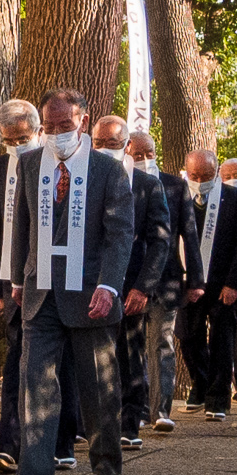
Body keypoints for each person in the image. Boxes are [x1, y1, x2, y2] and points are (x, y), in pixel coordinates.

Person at [5, 89, 136, 475]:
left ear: (83, 120)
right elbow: (21, 227)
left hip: (90, 292)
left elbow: (120, 234)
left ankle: (105, 463)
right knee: (36, 381)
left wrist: (110, 285)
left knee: (98, 385)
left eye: (65, 126)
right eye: (50, 127)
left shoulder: (108, 170)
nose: (57, 133)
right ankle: (34, 471)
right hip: (40, 289)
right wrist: (15, 280)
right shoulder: (30, 165)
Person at [0, 98, 78, 475]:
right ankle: (9, 444)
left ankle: (61, 440)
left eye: (22, 137)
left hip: (51, 275)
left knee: (57, 360)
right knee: (15, 357)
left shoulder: (55, 166)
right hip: (13, 278)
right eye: (9, 140)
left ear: (38, 131)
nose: (16, 145)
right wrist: (0, 281)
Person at [91, 115, 169, 451]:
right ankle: (86, 422)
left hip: (131, 286)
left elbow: (160, 241)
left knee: (129, 354)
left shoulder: (147, 186)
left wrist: (143, 286)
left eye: (113, 144)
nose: (106, 150)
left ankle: (129, 422)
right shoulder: (80, 181)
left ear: (128, 147)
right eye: (100, 144)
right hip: (87, 285)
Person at [128, 130, 198, 433]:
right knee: (132, 346)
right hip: (131, 279)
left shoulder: (175, 185)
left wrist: (195, 278)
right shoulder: (121, 181)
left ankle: (161, 410)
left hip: (168, 278)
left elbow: (189, 235)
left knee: (163, 342)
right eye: (137, 154)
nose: (144, 159)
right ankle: (138, 408)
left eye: (149, 153)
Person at [177, 149, 237, 420]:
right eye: (194, 175)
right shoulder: (178, 193)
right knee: (187, 336)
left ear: (216, 172)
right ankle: (201, 383)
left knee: (222, 340)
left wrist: (233, 284)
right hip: (189, 281)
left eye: (205, 175)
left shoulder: (234, 197)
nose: (199, 179)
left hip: (222, 284)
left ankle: (218, 399)